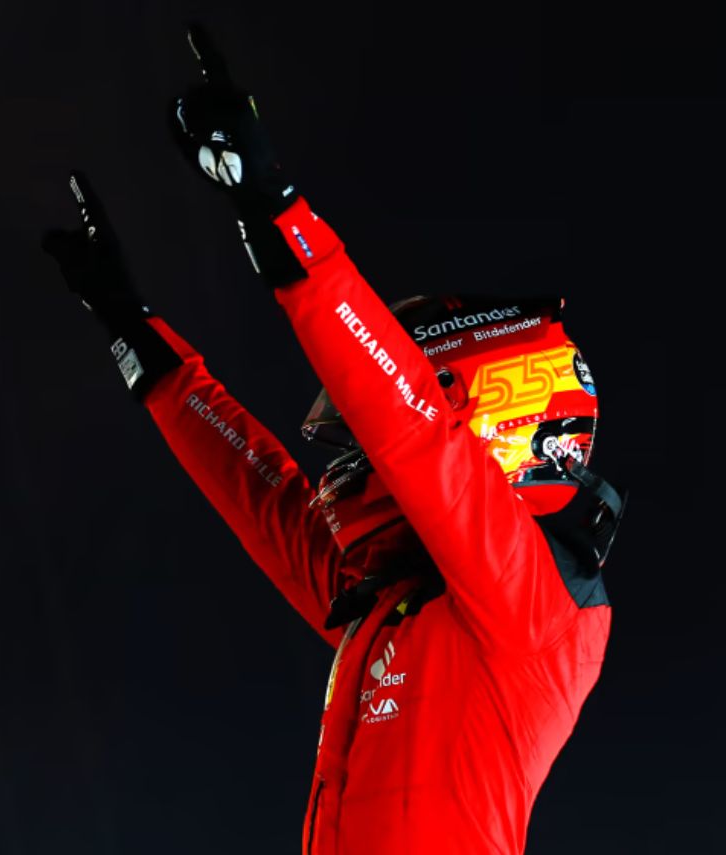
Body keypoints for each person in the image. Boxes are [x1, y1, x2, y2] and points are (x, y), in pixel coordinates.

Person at [43, 25, 625, 855]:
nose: (353, 455)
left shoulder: (533, 610)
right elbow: (263, 492)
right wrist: (132, 328)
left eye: (368, 430)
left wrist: (272, 203)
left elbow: (415, 430)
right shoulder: (389, 602)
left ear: (497, 414)